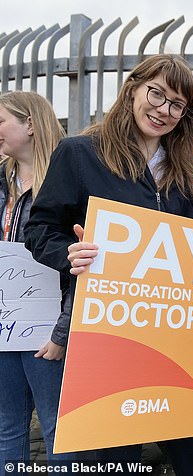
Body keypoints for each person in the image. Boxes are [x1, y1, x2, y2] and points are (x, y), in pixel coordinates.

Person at [23, 54, 193, 476]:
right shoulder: (79, 154)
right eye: (156, 93)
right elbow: (41, 228)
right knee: (114, 462)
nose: (163, 110)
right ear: (132, 88)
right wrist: (67, 254)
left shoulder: (187, 177)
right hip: (106, 336)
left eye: (176, 105)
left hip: (175, 343)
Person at [0, 91, 71, 476]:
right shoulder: (1, 181)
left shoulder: (66, 185)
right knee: (7, 429)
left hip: (49, 332)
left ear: (29, 124)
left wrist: (63, 331)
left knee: (58, 431)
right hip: (4, 328)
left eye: (1, 121)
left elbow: (82, 264)